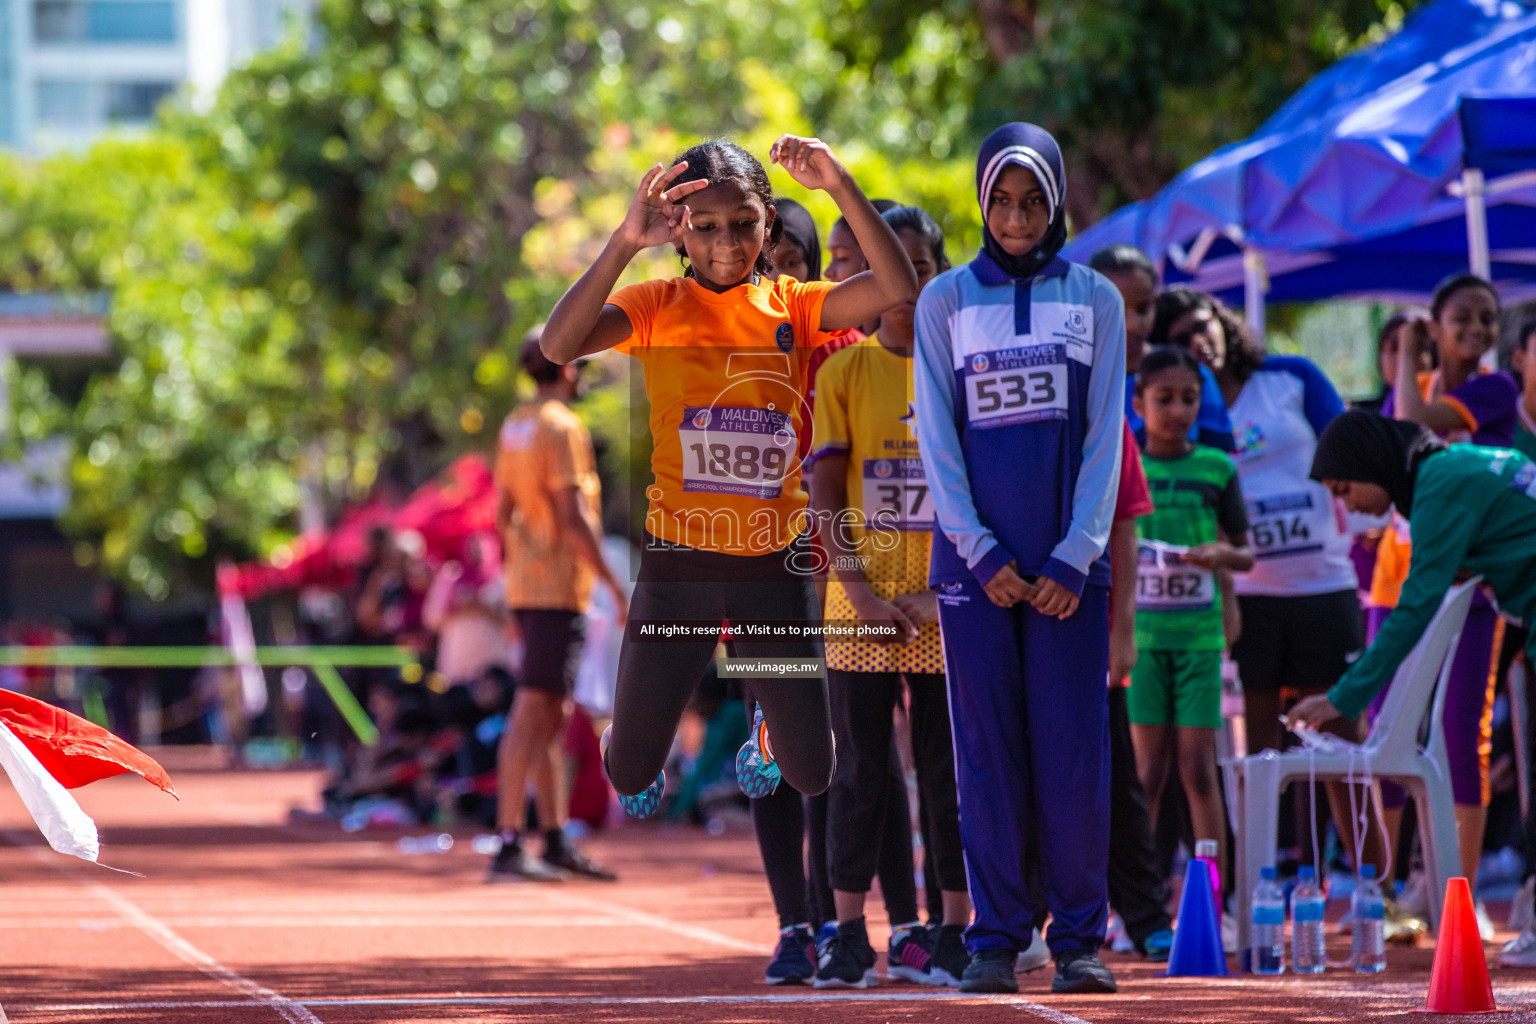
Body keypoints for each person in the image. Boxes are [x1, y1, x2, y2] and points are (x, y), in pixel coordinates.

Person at [540, 137, 916, 818]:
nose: (727, 243)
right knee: (629, 776)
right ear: (680, 230)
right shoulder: (656, 305)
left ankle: (769, 729)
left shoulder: (793, 307)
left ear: (768, 224)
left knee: (812, 772)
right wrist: (626, 241)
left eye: (744, 224)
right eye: (706, 227)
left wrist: (839, 184)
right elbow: (558, 345)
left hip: (774, 569)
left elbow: (896, 287)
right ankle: (629, 739)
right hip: (677, 565)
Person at [914, 122, 1124, 996]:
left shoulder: (1097, 299)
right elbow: (937, 437)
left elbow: (1108, 432)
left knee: (1074, 752)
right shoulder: (946, 302)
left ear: (1057, 201)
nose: (1015, 215)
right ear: (981, 201)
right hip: (975, 569)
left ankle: (1079, 941)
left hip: (1070, 569)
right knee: (987, 755)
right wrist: (980, 550)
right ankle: (996, 939)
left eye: (1032, 198)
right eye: (1001, 199)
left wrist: (1077, 553)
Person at [1150, 286, 1387, 880]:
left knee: (1339, 742)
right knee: (1259, 754)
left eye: (1202, 326)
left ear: (1224, 322)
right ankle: (1253, 889)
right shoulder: (1181, 411)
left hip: (1323, 587)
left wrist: (1370, 520)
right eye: (1178, 341)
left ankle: (1374, 884)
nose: (1197, 343)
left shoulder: (1292, 377)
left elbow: (1353, 445)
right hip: (1247, 600)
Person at [810, 205, 970, 989]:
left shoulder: (962, 372)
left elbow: (982, 499)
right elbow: (826, 493)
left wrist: (948, 594)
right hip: (860, 610)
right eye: (888, 269)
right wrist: (861, 592)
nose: (903, 286)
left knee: (947, 772)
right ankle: (845, 933)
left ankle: (953, 930)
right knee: (861, 771)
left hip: (948, 607)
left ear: (939, 275)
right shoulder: (843, 373)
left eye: (918, 267)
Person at [1373, 274, 1516, 929]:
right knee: (1389, 731)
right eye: (1462, 317)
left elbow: (1412, 427)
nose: (1477, 329)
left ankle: (1454, 891)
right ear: (1436, 323)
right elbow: (1385, 461)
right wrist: (1409, 356)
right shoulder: (1409, 390)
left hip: (1471, 588)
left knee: (1462, 733)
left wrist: (1409, 359)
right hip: (1398, 583)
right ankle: (1391, 883)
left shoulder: (1494, 389)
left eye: (1487, 318)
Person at [485, 333, 627, 882]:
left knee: (553, 712)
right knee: (533, 711)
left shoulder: (516, 424)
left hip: (531, 584)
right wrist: (614, 585)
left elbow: (502, 513)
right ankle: (508, 841)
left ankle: (554, 836)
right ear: (565, 368)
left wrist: (517, 567)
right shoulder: (563, 426)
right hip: (556, 585)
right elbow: (574, 517)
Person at [1128, 348, 1253, 901]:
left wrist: (1219, 557)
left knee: (1199, 770)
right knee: (1145, 775)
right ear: (1139, 404)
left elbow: (1245, 554)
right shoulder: (1125, 467)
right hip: (1142, 642)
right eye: (1164, 399)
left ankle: (1213, 900)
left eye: (1189, 399)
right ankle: (1141, 903)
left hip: (1200, 641)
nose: (1177, 410)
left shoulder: (1217, 468)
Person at [1087, 246, 1233, 452]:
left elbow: (1220, 465)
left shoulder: (1193, 376)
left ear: (1154, 303)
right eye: (1115, 309)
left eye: (1142, 309)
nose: (1131, 324)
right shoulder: (1075, 382)